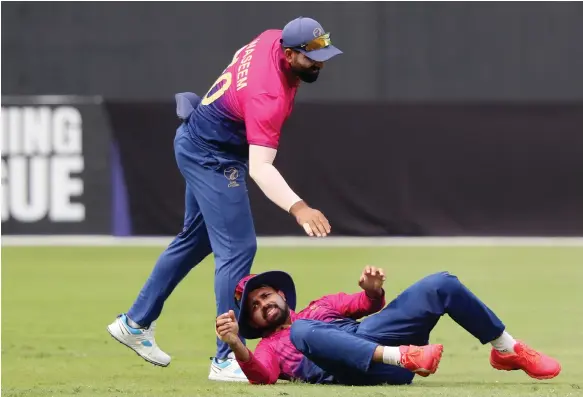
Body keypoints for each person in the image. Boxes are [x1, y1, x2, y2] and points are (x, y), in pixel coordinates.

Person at [106, 16, 342, 381]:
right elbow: (260, 168)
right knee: (238, 249)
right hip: (212, 156)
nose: (321, 63)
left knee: (195, 240)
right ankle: (224, 358)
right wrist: (299, 207)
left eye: (324, 53)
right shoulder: (269, 96)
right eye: (313, 58)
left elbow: (239, 58)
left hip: (198, 138)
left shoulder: (271, 37)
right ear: (290, 53)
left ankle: (135, 322)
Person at [215, 266, 561, 385]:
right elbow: (262, 377)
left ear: (279, 293)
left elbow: (366, 305)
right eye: (256, 308)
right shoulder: (268, 346)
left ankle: (506, 349)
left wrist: (372, 290)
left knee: (441, 283)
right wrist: (236, 344)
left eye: (264, 296)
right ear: (254, 322)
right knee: (303, 332)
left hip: (378, 342)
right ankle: (401, 356)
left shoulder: (320, 305)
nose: (263, 306)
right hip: (350, 368)